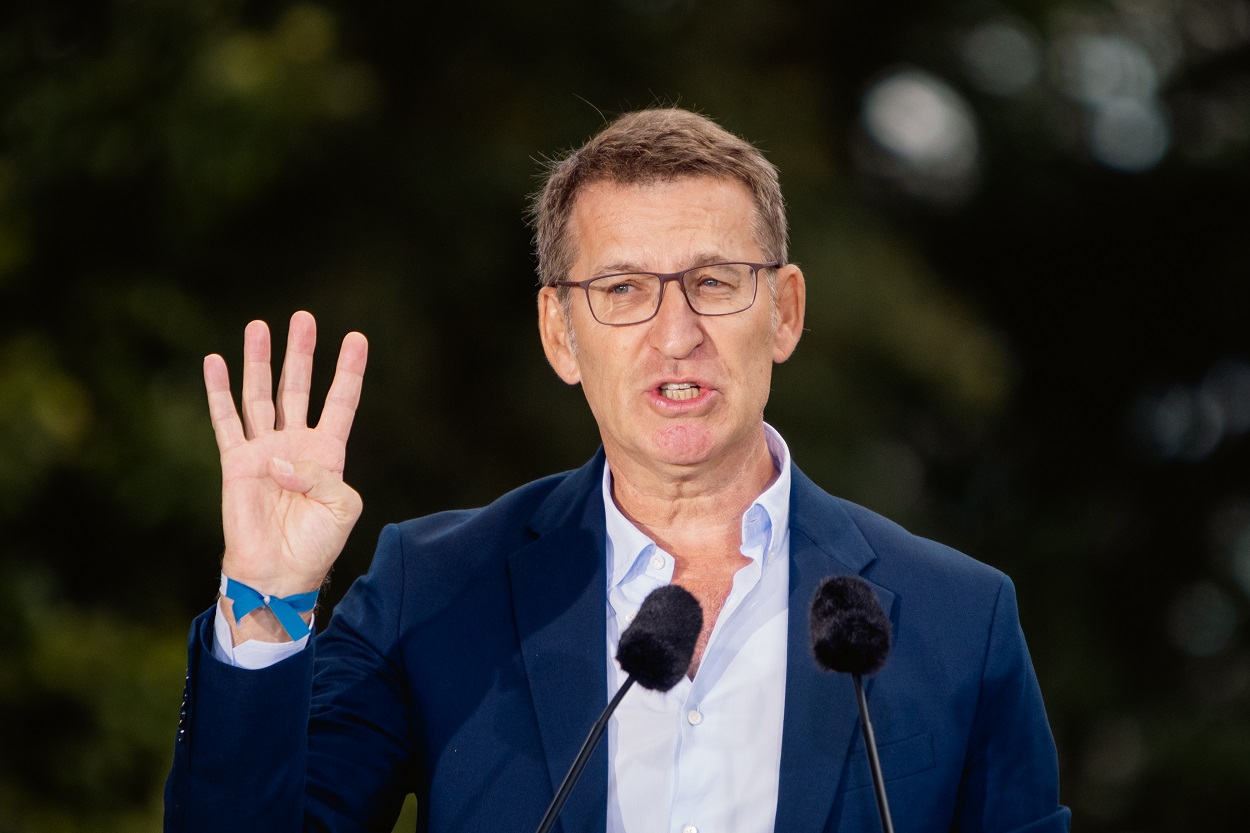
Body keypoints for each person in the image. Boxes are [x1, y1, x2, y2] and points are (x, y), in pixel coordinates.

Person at [164, 108, 1070, 833]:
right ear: (561, 333)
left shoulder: (960, 619)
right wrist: (268, 599)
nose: (676, 334)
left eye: (715, 281)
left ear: (785, 313)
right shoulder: (433, 589)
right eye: (623, 290)